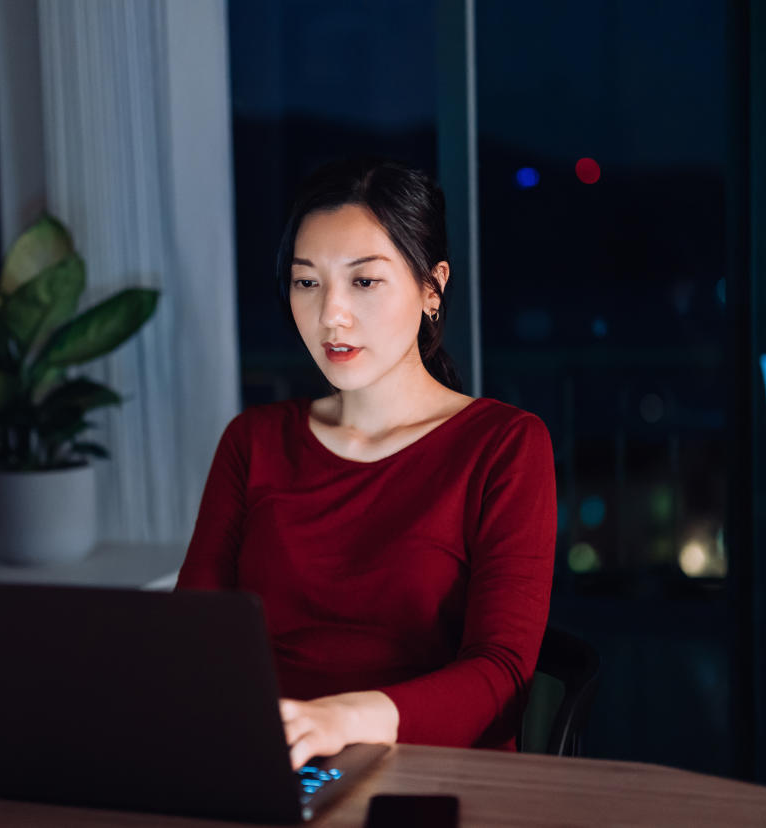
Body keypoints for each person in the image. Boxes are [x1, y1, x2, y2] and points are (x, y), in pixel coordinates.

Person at [175, 158, 556, 769]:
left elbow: (502, 673)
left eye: (364, 281)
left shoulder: (504, 445)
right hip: (265, 766)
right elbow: (193, 638)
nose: (331, 314)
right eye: (307, 282)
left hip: (434, 773)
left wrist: (340, 720)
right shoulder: (254, 441)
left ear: (432, 288)